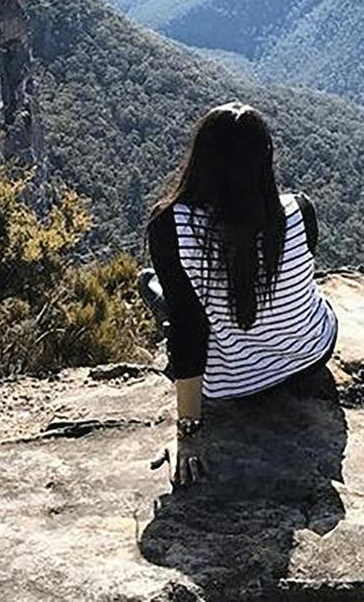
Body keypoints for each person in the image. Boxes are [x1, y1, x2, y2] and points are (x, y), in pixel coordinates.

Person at [141, 102, 338, 488]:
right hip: (311, 355)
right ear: (265, 160)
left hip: (232, 384)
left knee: (165, 297)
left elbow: (189, 332)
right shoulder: (300, 209)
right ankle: (157, 287)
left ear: (200, 158)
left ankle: (154, 288)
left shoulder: (170, 224)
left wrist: (189, 433)